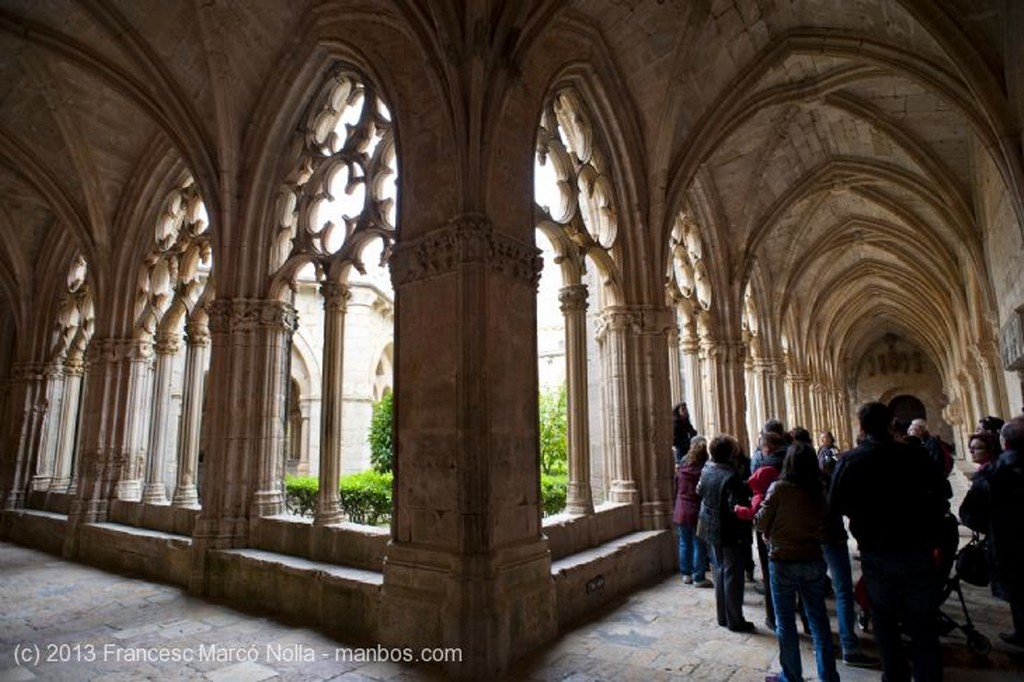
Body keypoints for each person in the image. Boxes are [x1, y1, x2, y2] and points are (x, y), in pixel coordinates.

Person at [829, 402, 949, 682]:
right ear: (891, 423)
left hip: (876, 549)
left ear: (861, 426)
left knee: (883, 620)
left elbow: (834, 504)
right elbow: (942, 491)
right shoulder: (914, 455)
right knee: (922, 621)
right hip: (916, 546)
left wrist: (862, 512)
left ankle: (895, 676)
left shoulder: (851, 460)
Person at [756, 442, 840, 682]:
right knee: (818, 620)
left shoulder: (779, 489)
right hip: (812, 558)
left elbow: (761, 522)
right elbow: (824, 522)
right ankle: (829, 676)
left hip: (783, 559)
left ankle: (791, 676)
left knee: (785, 622)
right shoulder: (818, 490)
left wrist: (767, 525)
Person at [959, 416, 1024, 647]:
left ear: (1003, 443)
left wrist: (991, 528)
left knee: (1019, 591)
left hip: (1009, 544)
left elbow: (970, 513)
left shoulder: (993, 474)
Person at [697, 434, 755, 632]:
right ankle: (735, 620)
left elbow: (700, 491)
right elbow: (737, 506)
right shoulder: (731, 476)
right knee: (732, 575)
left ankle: (722, 616)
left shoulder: (706, 470)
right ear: (730, 453)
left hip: (710, 528)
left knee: (719, 571)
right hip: (729, 531)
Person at [738, 430, 784, 630]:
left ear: (768, 447)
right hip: (798, 532)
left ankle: (775, 618)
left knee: (772, 573)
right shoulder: (790, 459)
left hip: (772, 530)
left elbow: (758, 516)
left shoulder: (766, 468)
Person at [673, 436, 711, 587]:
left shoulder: (681, 468)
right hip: (696, 510)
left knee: (684, 542)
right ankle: (699, 577)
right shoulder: (705, 470)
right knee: (698, 543)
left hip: (682, 508)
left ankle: (686, 575)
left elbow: (676, 488)